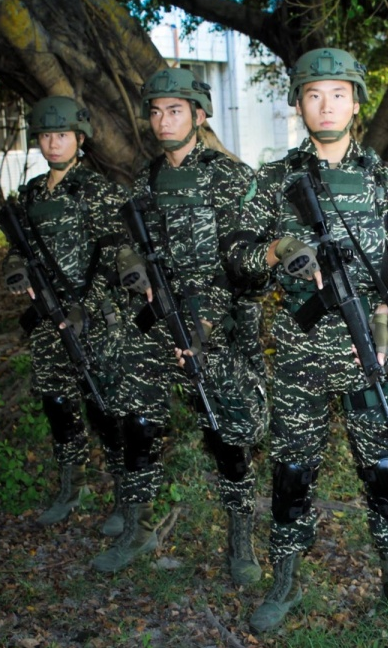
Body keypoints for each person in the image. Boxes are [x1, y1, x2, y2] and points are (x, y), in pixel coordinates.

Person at [225, 47, 388, 633]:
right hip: (299, 352)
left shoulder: (386, 182)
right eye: (313, 95)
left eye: (337, 94)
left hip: (370, 349)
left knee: (384, 468)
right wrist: (273, 252)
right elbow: (237, 256)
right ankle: (284, 582)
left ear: (356, 103)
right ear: (298, 104)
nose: (325, 105)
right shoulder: (272, 179)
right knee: (292, 469)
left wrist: (387, 321)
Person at [94, 68, 267, 577]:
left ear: (199, 114)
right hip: (156, 317)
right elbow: (131, 240)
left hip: (212, 323)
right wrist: (131, 266)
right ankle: (139, 527)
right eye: (155, 111)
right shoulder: (147, 178)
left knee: (225, 429)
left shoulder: (231, 176)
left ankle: (242, 540)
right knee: (137, 419)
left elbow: (248, 263)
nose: (163, 120)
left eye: (175, 110)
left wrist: (208, 324)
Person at [1, 96, 128, 537]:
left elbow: (115, 257)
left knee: (104, 405)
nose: (53, 143)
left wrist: (84, 308)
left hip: (89, 318)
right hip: (46, 321)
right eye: (46, 135)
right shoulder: (32, 193)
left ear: (79, 138)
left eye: (62, 135)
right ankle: (70, 486)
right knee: (56, 403)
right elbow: (17, 249)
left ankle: (124, 496)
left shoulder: (100, 191)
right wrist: (14, 269)